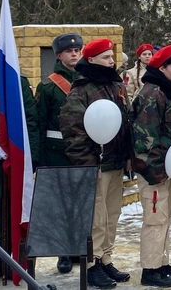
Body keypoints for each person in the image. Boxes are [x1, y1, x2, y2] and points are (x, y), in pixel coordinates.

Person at [60, 38, 132, 289]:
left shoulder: (115, 84)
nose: (112, 62)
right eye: (106, 58)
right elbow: (73, 131)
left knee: (112, 215)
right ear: (91, 60)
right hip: (97, 166)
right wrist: (88, 165)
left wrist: (128, 156)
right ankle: (92, 264)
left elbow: (125, 122)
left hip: (116, 161)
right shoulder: (81, 89)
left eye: (112, 57)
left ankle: (106, 258)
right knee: (96, 218)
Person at [0, 29, 39, 285]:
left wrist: (29, 158)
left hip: (14, 155)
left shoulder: (17, 81)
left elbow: (30, 121)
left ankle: (6, 261)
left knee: (9, 214)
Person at [131, 45, 171, 287]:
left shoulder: (165, 91)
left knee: (165, 218)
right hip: (154, 171)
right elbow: (145, 138)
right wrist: (155, 173)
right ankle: (150, 269)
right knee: (155, 220)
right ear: (161, 68)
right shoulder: (152, 95)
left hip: (166, 168)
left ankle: (161, 263)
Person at [35, 32, 83, 274]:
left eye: (77, 50)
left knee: (80, 203)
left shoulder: (87, 80)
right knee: (61, 204)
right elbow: (39, 123)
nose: (74, 54)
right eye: (69, 51)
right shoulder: (47, 86)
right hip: (57, 152)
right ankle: (63, 252)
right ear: (59, 55)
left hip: (83, 152)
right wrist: (39, 159)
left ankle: (77, 249)